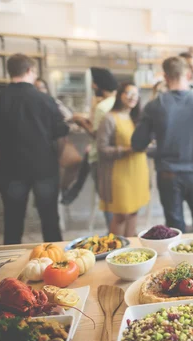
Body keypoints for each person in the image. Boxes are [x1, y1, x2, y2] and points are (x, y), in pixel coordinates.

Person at [132, 57, 193, 233]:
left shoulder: (154, 106)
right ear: (189, 74)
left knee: (175, 228)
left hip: (168, 174)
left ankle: (177, 260)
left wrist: (157, 139)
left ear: (166, 77)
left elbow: (137, 143)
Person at [0, 54, 69, 244]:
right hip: (45, 167)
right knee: (50, 221)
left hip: (12, 167)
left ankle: (10, 266)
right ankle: (57, 264)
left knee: (13, 222)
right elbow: (60, 131)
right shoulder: (46, 100)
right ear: (30, 71)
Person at [97, 83, 149, 237]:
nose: (133, 97)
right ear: (120, 95)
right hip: (119, 173)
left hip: (138, 170)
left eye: (136, 93)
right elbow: (102, 148)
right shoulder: (109, 118)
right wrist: (126, 149)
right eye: (128, 93)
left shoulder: (137, 118)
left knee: (134, 212)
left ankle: (131, 249)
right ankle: (116, 250)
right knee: (120, 215)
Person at [77, 67, 118, 230]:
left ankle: (113, 234)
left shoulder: (103, 107)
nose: (93, 87)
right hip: (116, 158)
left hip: (100, 159)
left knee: (107, 200)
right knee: (115, 200)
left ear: (99, 84)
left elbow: (97, 136)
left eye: (94, 84)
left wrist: (81, 122)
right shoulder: (116, 103)